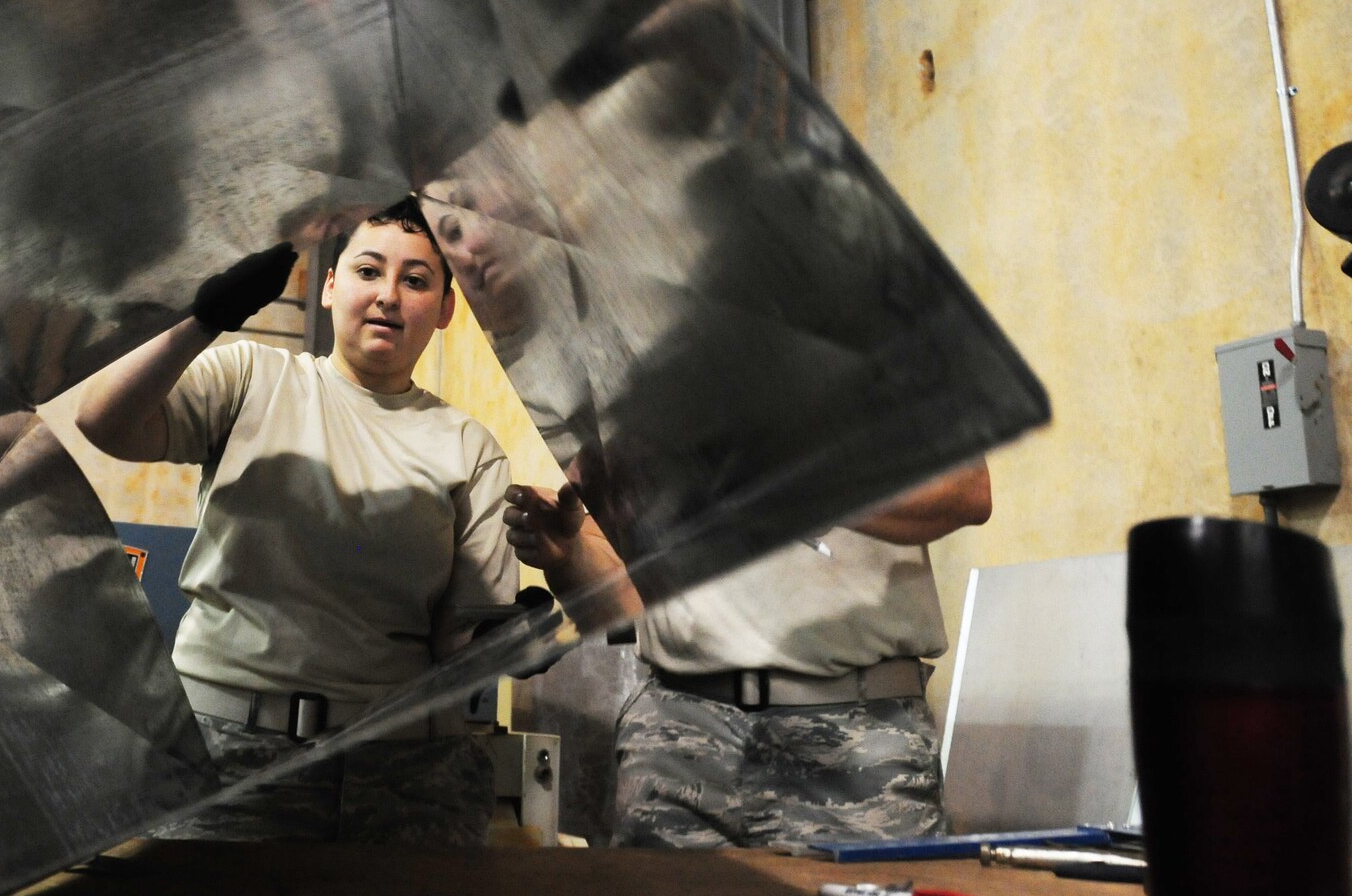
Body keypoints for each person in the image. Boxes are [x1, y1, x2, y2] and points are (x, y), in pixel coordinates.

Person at [76, 198, 517, 845]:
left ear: (447, 308)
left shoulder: (470, 447)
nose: (388, 295)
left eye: (416, 280)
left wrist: (512, 630)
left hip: (402, 777)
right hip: (227, 756)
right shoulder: (253, 376)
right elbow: (103, 421)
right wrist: (203, 319)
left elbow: (460, 645)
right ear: (333, 285)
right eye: (368, 271)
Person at [505, 458, 991, 849]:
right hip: (677, 732)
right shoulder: (648, 367)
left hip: (853, 735)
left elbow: (966, 490)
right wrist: (569, 555)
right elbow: (627, 605)